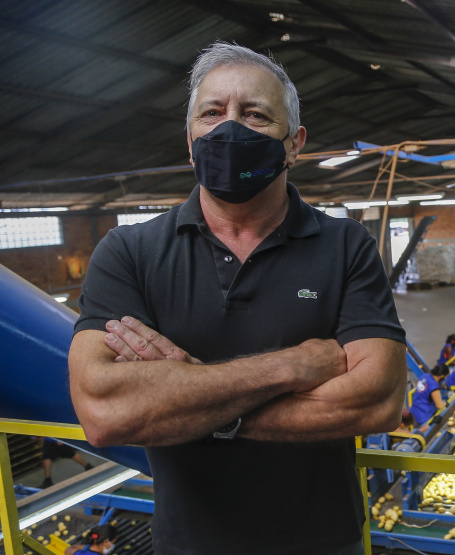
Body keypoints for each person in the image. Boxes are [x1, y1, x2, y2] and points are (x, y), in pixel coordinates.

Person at [67, 42, 407, 555]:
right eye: (212, 113)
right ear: (190, 141)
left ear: (294, 143)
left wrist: (189, 397)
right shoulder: (129, 251)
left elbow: (378, 398)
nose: (230, 130)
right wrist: (292, 366)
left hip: (323, 543)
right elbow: (105, 411)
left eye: (254, 114)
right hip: (188, 545)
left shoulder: (345, 245)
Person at [412, 364, 449, 430]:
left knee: (416, 432)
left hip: (414, 411)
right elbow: (439, 405)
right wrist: (445, 403)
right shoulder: (434, 385)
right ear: (442, 376)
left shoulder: (425, 376)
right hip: (423, 415)